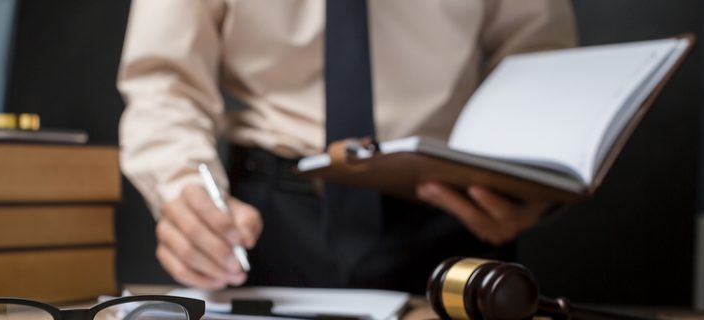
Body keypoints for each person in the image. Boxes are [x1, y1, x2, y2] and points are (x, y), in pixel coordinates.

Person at [117, 0, 577, 293]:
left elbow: (538, 61)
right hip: (265, 223)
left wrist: (528, 184)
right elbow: (165, 83)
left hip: (450, 210)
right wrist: (182, 189)